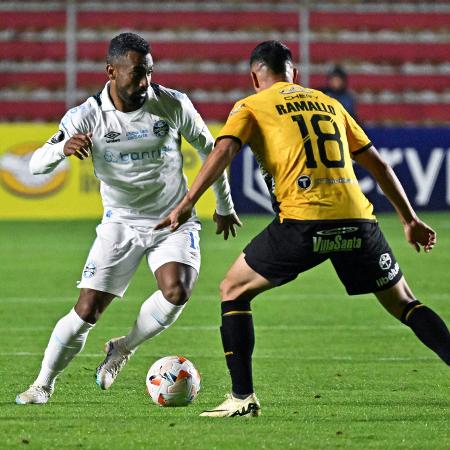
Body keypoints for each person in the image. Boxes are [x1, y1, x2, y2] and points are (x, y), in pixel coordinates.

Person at [157, 40, 450, 418]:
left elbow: (223, 151)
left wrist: (187, 202)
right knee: (406, 302)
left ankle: (242, 396)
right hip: (358, 220)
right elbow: (378, 165)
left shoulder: (251, 105)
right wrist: (409, 219)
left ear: (254, 77)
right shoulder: (330, 103)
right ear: (295, 73)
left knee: (232, 289)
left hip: (304, 221)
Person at [16, 32, 241, 405]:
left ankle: (124, 347)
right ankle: (43, 384)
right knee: (86, 310)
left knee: (177, 290)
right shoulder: (85, 116)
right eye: (137, 74)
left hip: (172, 218)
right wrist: (60, 148)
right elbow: (36, 166)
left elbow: (211, 151)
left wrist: (224, 205)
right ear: (111, 71)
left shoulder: (171, 104)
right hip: (120, 223)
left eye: (149, 73)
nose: (145, 82)